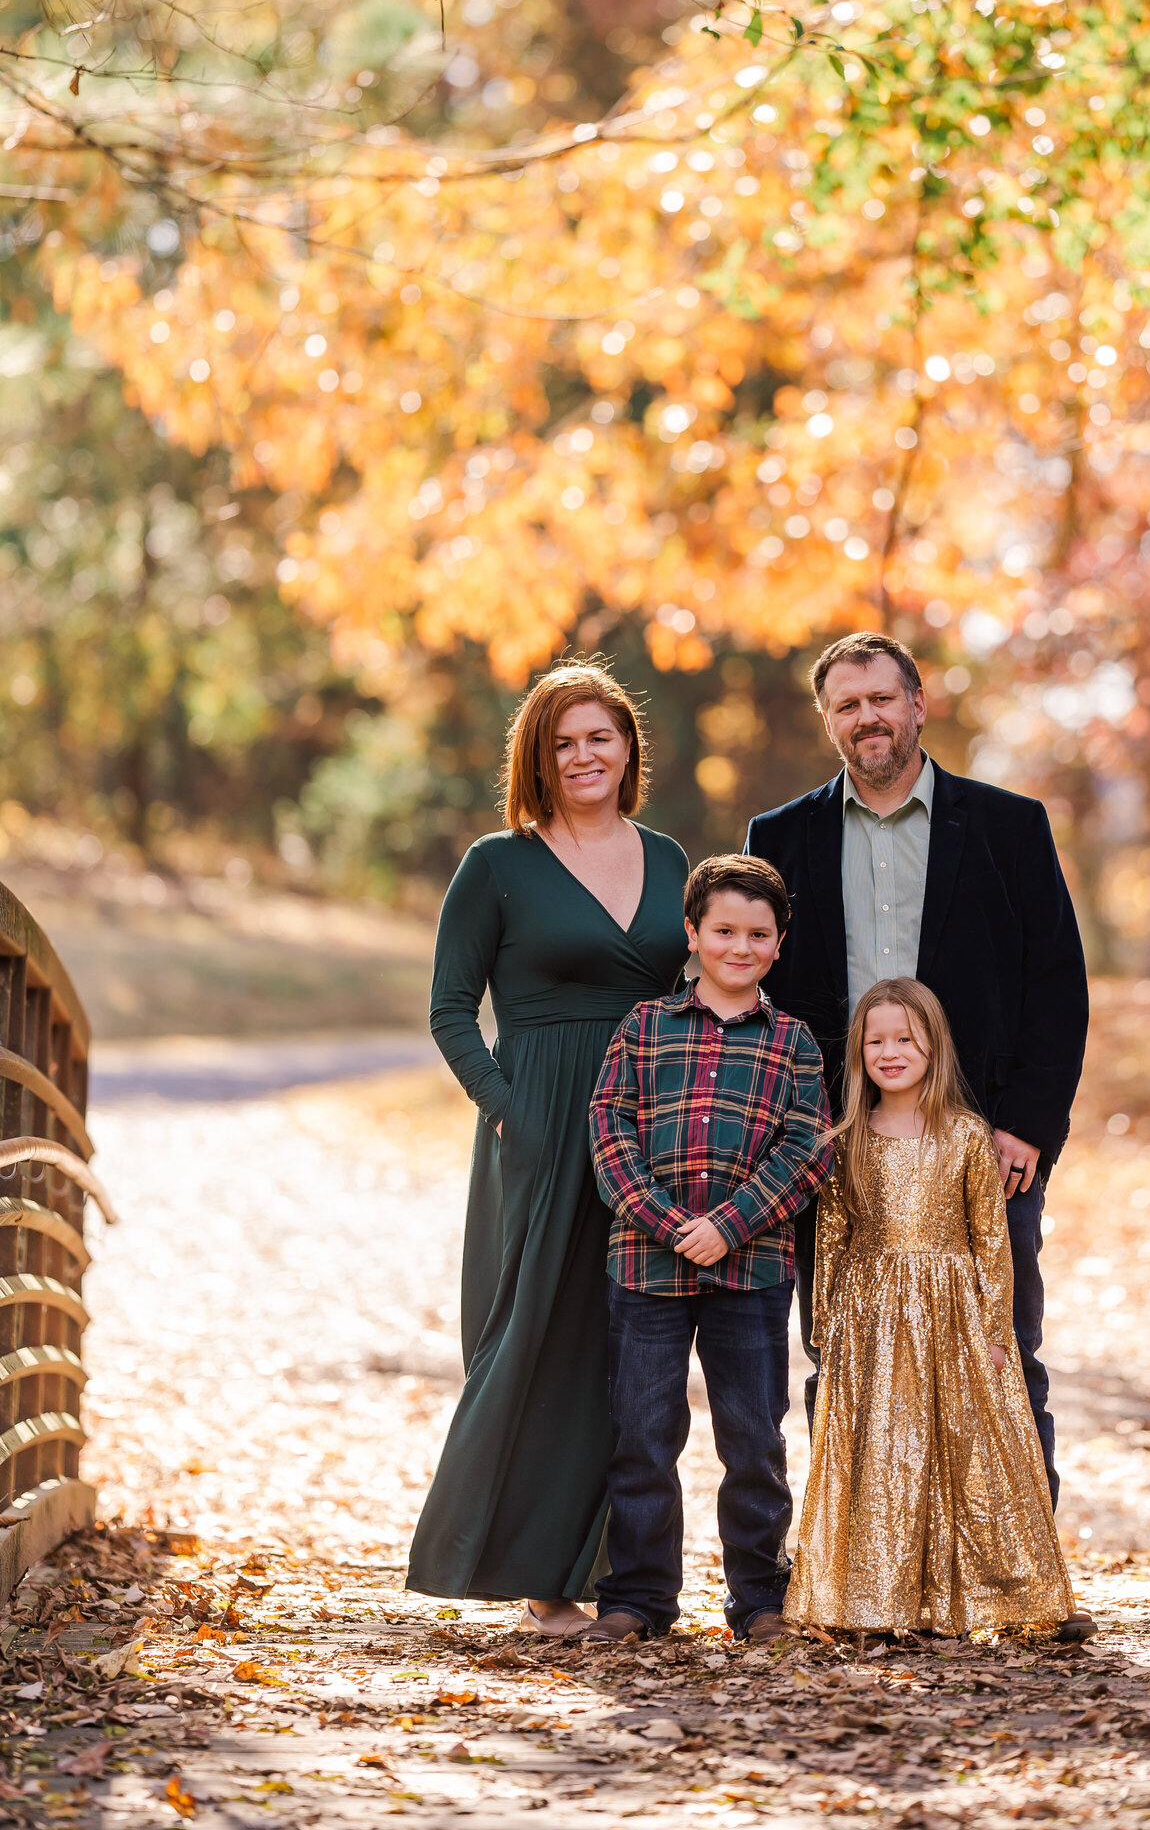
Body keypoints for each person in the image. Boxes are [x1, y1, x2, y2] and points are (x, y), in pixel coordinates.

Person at [746, 629, 1089, 1504]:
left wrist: (1028, 1126)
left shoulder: (1010, 826)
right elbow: (761, 990)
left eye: (882, 699)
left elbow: (1056, 984)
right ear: (829, 722)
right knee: (843, 1353)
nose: (868, 718)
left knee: (1003, 1346)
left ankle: (1021, 1576)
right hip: (838, 1142)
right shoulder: (780, 837)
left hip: (982, 1139)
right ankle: (854, 1567)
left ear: (918, 705)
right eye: (848, 705)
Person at [407, 662, 690, 1635]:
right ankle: (532, 1574)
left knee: (632, 1344)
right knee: (534, 1335)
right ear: (537, 756)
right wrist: (503, 1106)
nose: (584, 756)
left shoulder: (668, 857)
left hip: (645, 1124)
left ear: (627, 749)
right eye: (563, 742)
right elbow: (449, 1008)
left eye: (600, 737)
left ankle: (628, 1575)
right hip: (537, 1121)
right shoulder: (497, 864)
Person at [784, 978, 1084, 1638]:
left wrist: (995, 1326)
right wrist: (828, 1324)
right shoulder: (847, 1140)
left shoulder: (967, 1137)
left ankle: (1005, 1595)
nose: (890, 1052)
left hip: (953, 1314)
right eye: (876, 1040)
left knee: (968, 1451)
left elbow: (990, 1240)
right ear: (859, 1051)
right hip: (873, 1318)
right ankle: (875, 1603)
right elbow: (832, 1237)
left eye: (906, 1039)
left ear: (934, 1046)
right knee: (883, 1450)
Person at [584, 855, 832, 1643]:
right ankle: (639, 1600)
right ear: (692, 935)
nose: (740, 945)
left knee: (754, 1441)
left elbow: (808, 1150)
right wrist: (665, 1222)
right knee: (642, 1436)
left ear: (779, 944)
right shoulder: (644, 1027)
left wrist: (730, 1223)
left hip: (752, 1270)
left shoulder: (792, 1043)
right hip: (646, 1268)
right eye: (723, 930)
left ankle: (759, 1599)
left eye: (758, 933)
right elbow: (609, 1130)